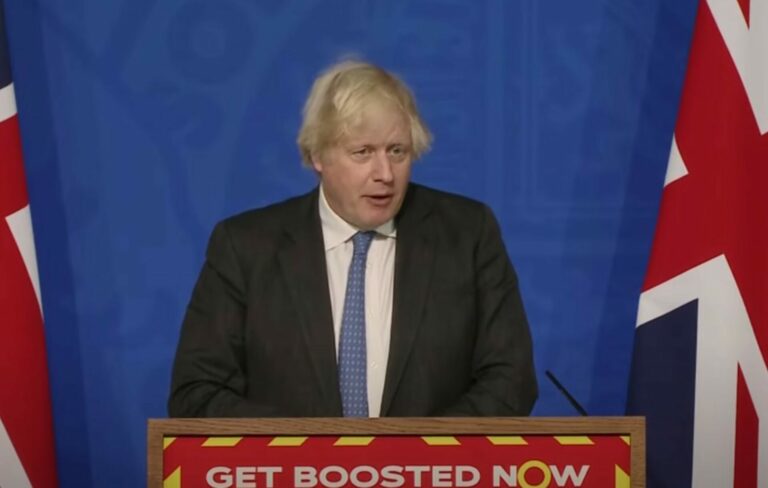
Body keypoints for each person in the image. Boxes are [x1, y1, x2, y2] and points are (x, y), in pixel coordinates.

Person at [168, 60, 537, 418]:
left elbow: (510, 381)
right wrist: (316, 457)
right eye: (363, 152)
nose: (385, 174)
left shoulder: (468, 233)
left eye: (397, 152)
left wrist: (418, 457)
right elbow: (198, 393)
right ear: (317, 155)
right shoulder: (246, 247)